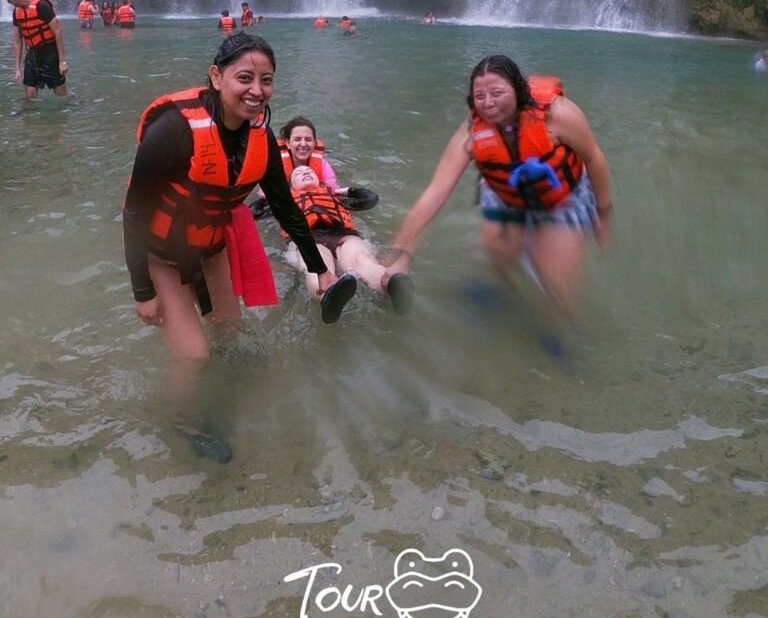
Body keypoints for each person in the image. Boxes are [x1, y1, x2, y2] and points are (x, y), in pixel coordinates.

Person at [122, 34, 346, 436]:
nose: (257, 90)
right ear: (216, 76)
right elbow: (134, 212)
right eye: (245, 78)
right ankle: (181, 423)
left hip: (210, 249)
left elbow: (285, 208)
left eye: (266, 80)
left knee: (230, 333)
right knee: (195, 355)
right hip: (162, 256)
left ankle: (224, 397)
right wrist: (143, 291)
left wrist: (321, 269)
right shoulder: (174, 128)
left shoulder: (261, 136)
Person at [383, 55, 612, 314]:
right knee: (499, 256)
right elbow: (436, 192)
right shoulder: (472, 131)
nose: (488, 103)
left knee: (558, 287)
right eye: (479, 96)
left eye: (497, 93)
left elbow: (594, 158)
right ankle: (503, 293)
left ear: (517, 88)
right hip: (506, 193)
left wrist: (603, 212)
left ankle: (557, 327)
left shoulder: (558, 115)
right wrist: (398, 252)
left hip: (559, 197)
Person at [287, 166, 414, 315]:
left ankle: (389, 285)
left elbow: (371, 199)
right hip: (310, 238)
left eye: (310, 172)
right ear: (291, 186)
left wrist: (342, 192)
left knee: (360, 258)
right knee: (317, 265)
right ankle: (327, 296)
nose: (306, 173)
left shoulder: (334, 197)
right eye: (299, 173)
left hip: (344, 234)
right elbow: (260, 209)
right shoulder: (283, 202)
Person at [3, 0, 68, 99]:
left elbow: (57, 32)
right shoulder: (16, 12)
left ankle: (68, 107)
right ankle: (29, 111)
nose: (8, 2)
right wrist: (17, 68)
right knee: (30, 92)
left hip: (50, 52)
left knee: (59, 91)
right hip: (32, 53)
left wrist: (62, 62)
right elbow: (18, 41)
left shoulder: (42, 6)